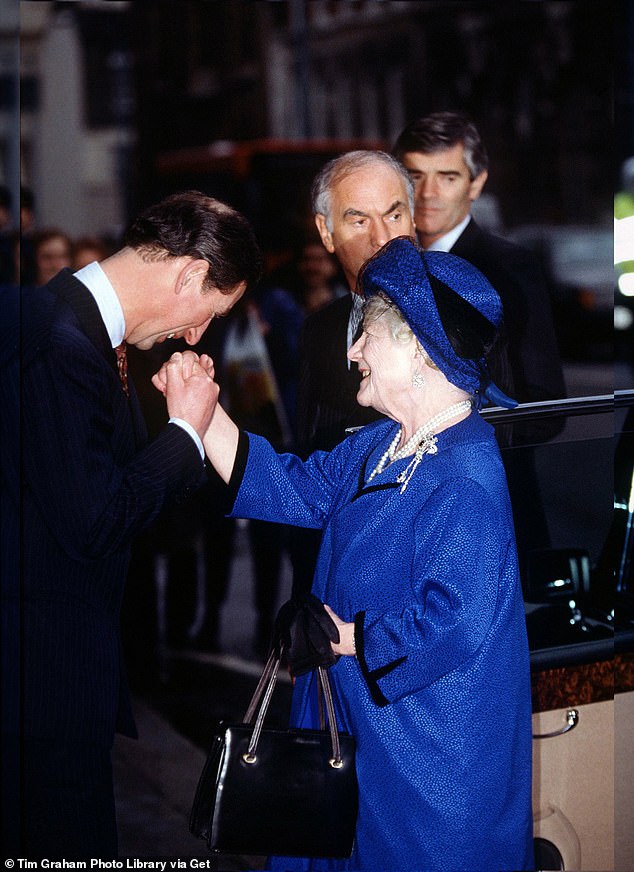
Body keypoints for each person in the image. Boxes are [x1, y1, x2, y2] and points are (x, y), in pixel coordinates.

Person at [156, 236, 534, 871]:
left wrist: (347, 637)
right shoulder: (384, 442)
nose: (353, 349)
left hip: (428, 759)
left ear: (417, 348)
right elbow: (296, 487)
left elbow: (457, 621)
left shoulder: (466, 476)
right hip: (366, 735)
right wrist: (204, 414)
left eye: (369, 336)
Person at [0, 190, 262, 858]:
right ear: (187, 275)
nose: (198, 333)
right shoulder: (61, 344)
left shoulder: (70, 326)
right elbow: (94, 522)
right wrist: (184, 431)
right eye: (212, 310)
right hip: (42, 686)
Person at [393, 110, 565, 407]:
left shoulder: (510, 268)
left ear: (476, 183)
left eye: (447, 178)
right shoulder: (389, 265)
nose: (427, 194)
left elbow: (543, 403)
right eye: (414, 176)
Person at [296, 150, 416, 455]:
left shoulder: (462, 311)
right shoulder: (318, 331)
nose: (382, 238)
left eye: (394, 216)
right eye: (360, 221)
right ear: (326, 232)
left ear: (413, 220)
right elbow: (312, 448)